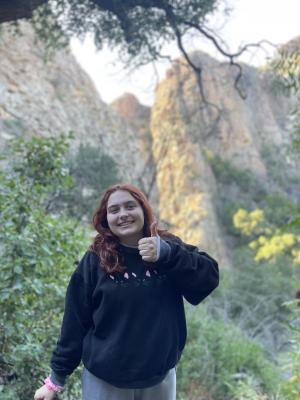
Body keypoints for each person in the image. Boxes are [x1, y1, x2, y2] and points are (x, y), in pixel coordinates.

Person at [34, 183, 219, 400]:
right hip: (105, 381)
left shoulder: (166, 246)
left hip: (160, 379)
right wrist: (56, 379)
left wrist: (167, 254)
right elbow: (75, 322)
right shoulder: (95, 260)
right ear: (106, 219)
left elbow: (208, 278)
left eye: (130, 206)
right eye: (114, 210)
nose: (123, 214)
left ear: (143, 210)